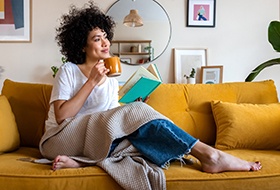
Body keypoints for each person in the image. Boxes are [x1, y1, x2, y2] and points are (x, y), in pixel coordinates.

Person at [39, 1, 261, 175]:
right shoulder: (68, 70)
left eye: (105, 36)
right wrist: (91, 82)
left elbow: (109, 120)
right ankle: (211, 155)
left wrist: (133, 107)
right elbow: (62, 117)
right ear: (82, 45)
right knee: (137, 128)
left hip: (93, 140)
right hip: (59, 139)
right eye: (97, 39)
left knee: (141, 135)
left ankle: (81, 162)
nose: (105, 43)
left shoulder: (110, 79)